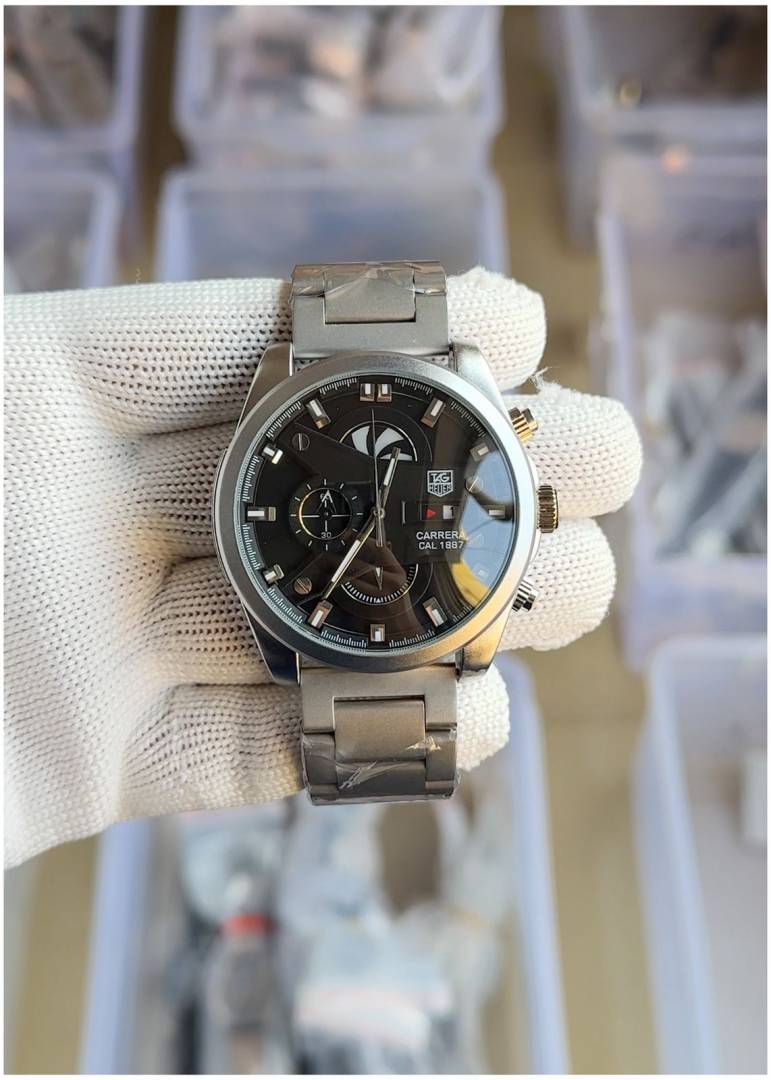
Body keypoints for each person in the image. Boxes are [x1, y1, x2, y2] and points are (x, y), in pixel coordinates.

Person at [4, 268, 641, 867]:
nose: (377, 523)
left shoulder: (476, 495)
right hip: (318, 595)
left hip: (346, 601)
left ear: (538, 510)